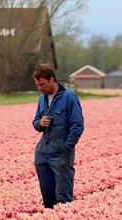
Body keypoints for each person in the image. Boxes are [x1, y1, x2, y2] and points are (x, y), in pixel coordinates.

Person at [32, 63, 84, 208]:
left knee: (63, 198)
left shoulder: (69, 97)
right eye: (37, 85)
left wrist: (66, 147)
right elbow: (35, 122)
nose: (39, 88)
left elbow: (77, 125)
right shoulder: (42, 98)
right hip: (43, 151)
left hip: (61, 153)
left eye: (42, 84)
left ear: (52, 80)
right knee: (48, 198)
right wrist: (40, 123)